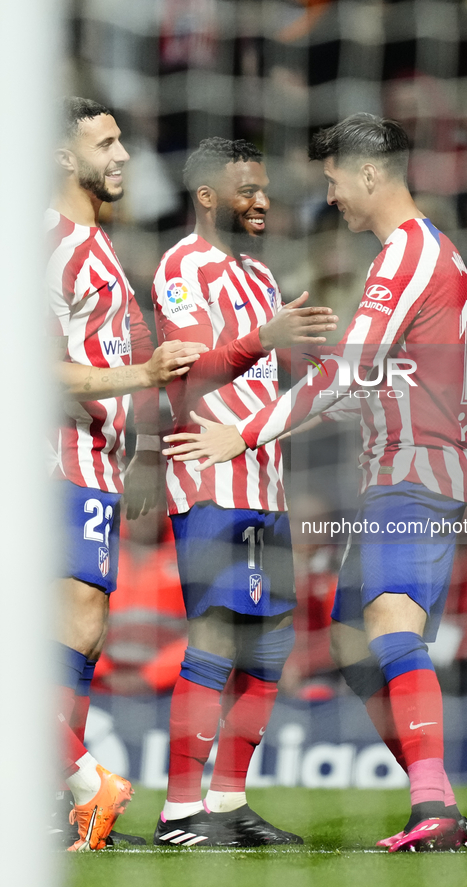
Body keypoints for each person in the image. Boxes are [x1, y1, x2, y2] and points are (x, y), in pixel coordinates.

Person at [163, 114, 467, 852]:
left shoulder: (407, 254)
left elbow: (342, 374)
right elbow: (360, 385)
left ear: (370, 173)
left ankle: (431, 802)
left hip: (413, 470)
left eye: (334, 178)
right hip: (396, 468)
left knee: (389, 624)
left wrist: (242, 432)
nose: (329, 194)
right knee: (346, 639)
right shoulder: (424, 253)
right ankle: (431, 791)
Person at [151, 137, 338, 847]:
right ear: (207, 196)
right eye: (246, 190)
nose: (261, 201)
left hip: (266, 480)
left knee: (267, 649)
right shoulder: (181, 268)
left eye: (263, 189)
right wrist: (265, 336)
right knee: (216, 635)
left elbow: (273, 375)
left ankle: (228, 802)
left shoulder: (259, 276)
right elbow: (187, 379)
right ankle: (177, 813)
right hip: (208, 474)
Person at [48, 97, 205, 851]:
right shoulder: (45, 246)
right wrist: (141, 371)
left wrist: (144, 446)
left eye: (121, 139)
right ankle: (86, 782)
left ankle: (66, 799)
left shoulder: (99, 246)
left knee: (77, 639)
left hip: (93, 466)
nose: (122, 155)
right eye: (104, 142)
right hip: (46, 463)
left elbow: (132, 341)